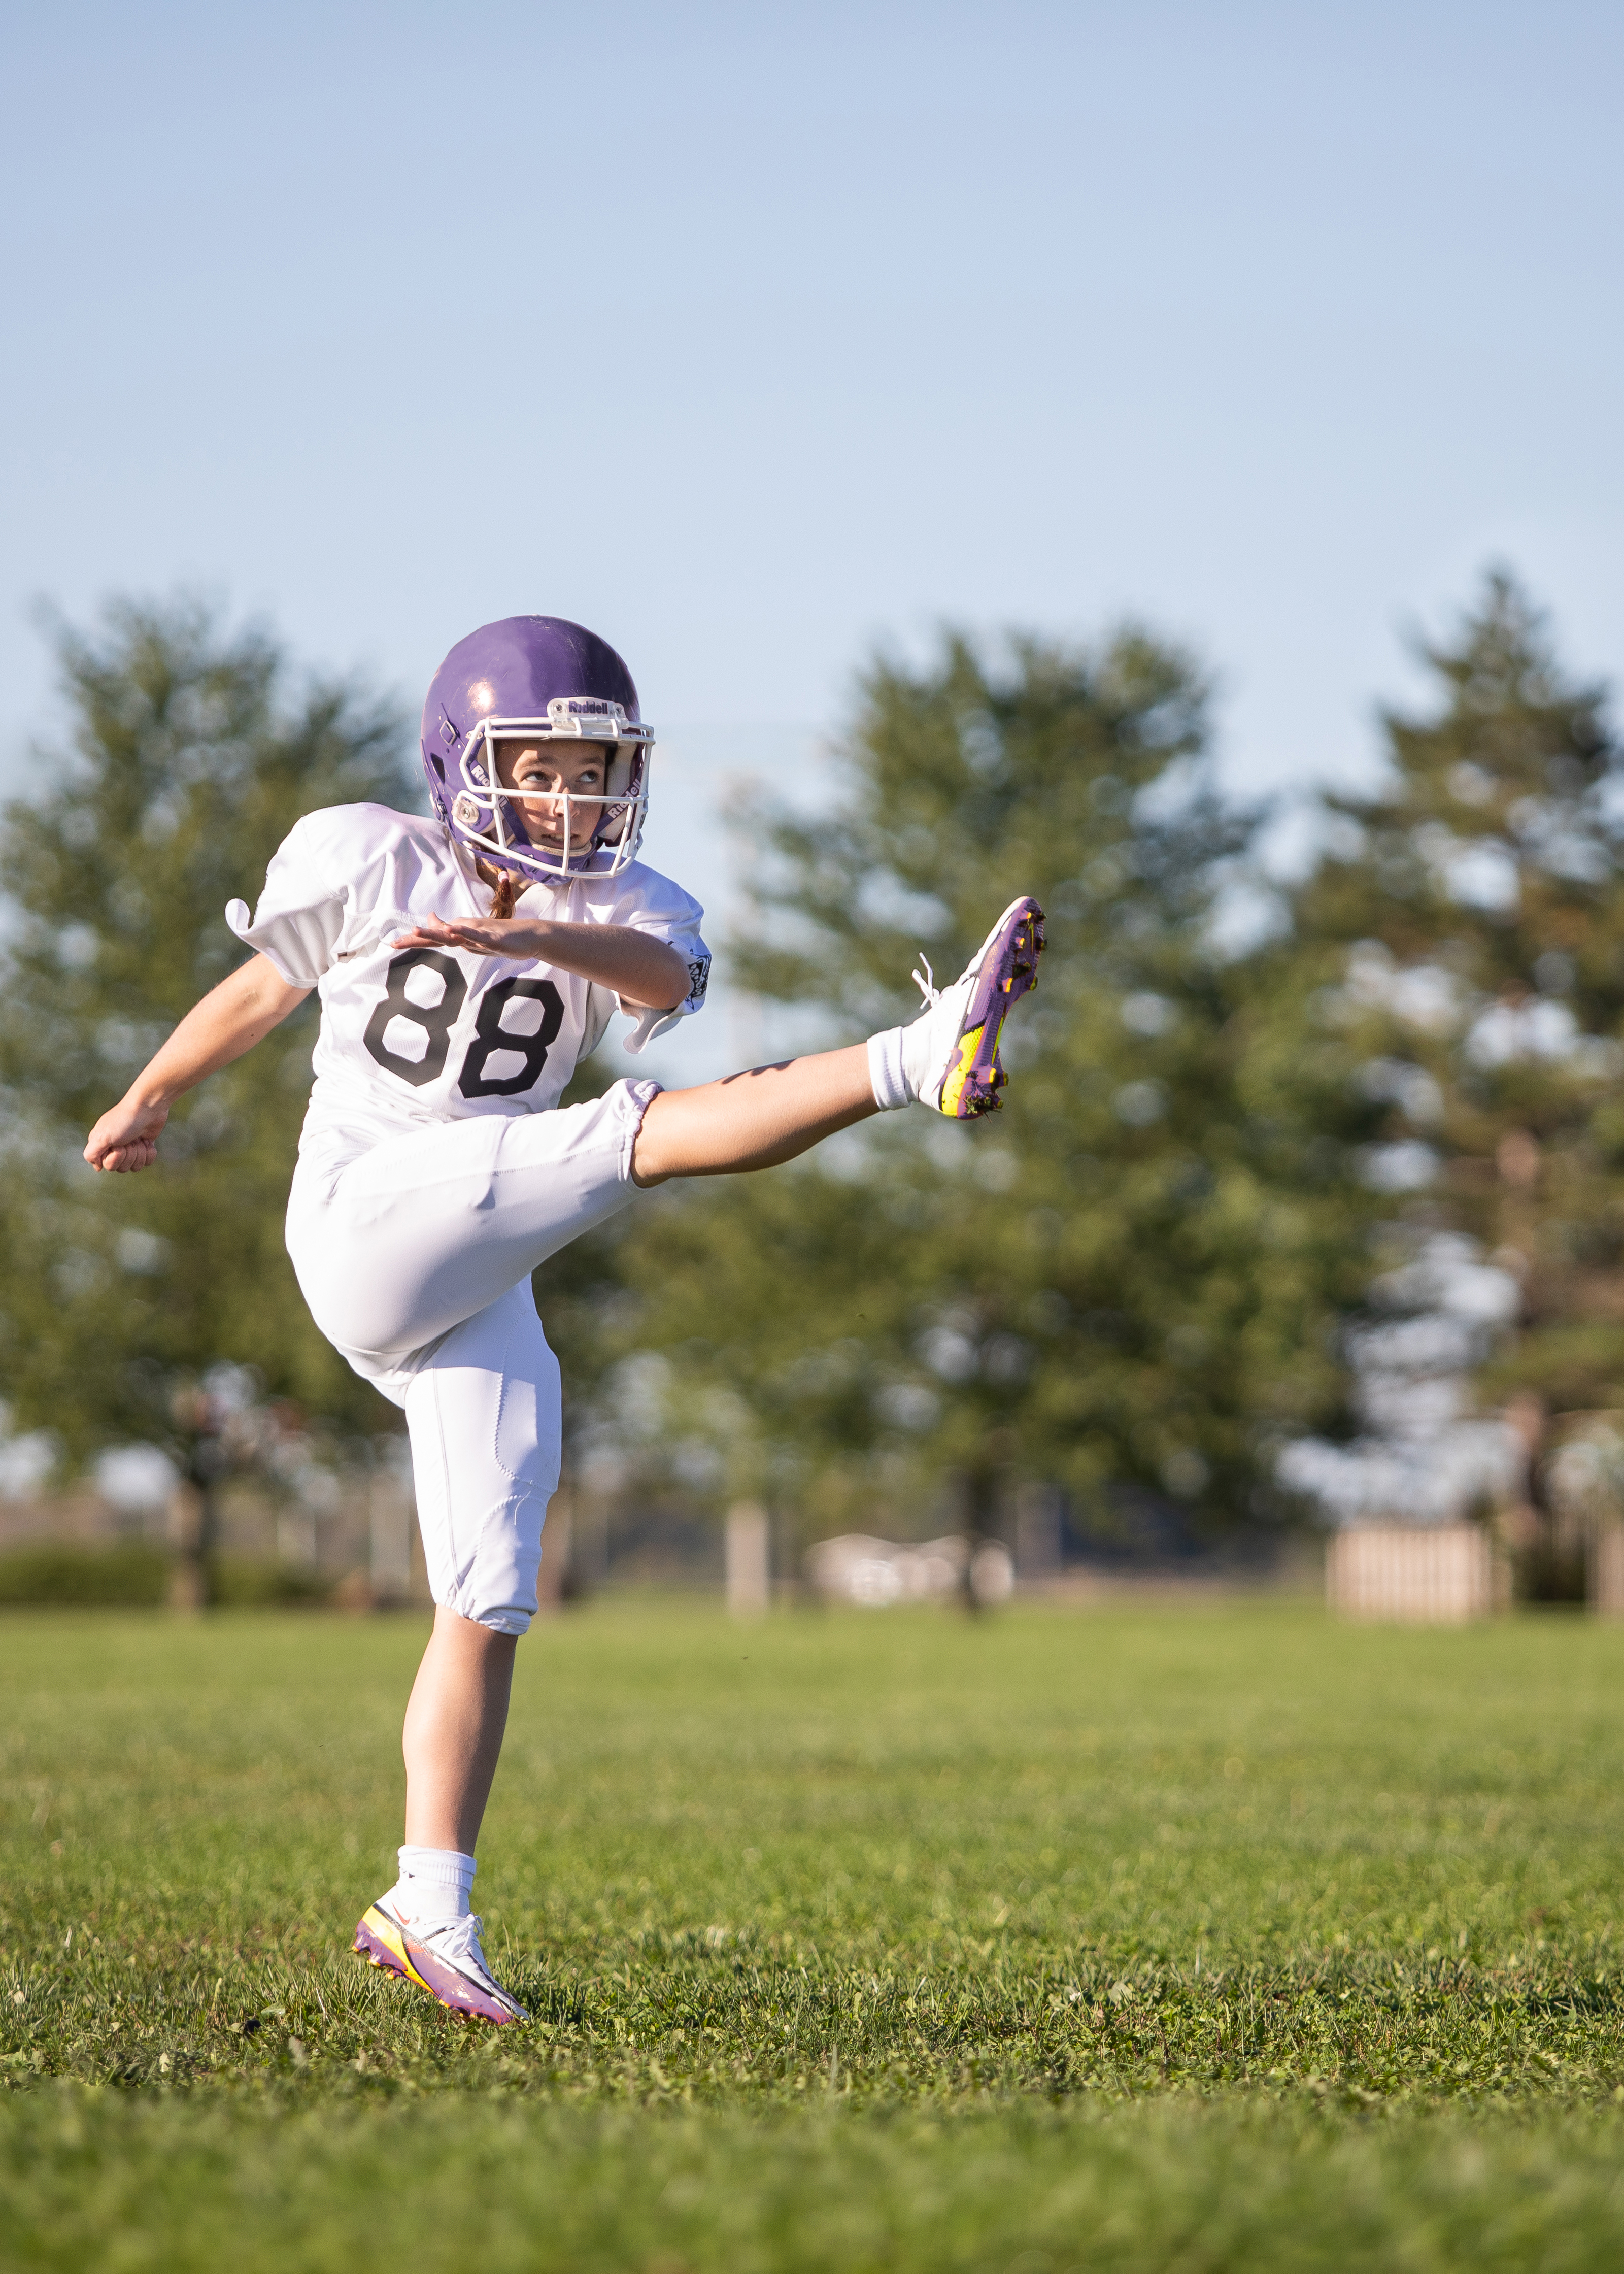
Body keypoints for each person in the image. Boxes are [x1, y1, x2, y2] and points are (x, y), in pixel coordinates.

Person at [83, 615, 1044, 2025]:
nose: (575, 796)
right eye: (543, 765)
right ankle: (913, 1057)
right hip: (365, 1220)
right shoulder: (371, 854)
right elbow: (258, 988)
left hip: (478, 1258)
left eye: (597, 768)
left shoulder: (628, 903)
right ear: (465, 761)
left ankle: (428, 1907)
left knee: (487, 1590)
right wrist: (151, 1090)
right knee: (627, 1135)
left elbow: (664, 982)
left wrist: (553, 930)